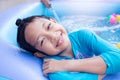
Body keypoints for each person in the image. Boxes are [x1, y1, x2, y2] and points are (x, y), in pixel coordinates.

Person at [16, 15, 120, 80]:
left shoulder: (83, 36)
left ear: (54, 21)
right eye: (42, 41)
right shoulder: (52, 68)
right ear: (40, 54)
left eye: (49, 27)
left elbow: (118, 58)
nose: (53, 36)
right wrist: (104, 67)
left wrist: (66, 64)